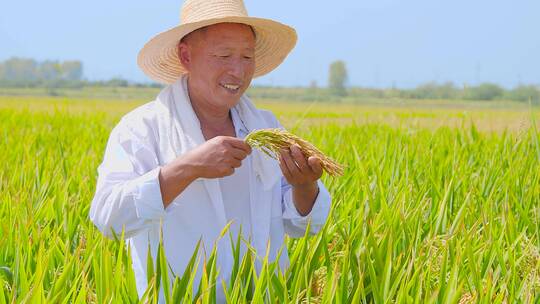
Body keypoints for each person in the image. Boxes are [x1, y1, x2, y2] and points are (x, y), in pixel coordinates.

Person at [89, 0, 331, 301]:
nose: (238, 71)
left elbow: (302, 225)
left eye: (247, 56)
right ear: (186, 55)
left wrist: (304, 185)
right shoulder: (142, 128)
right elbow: (109, 219)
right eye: (223, 55)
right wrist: (188, 167)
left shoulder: (266, 128)